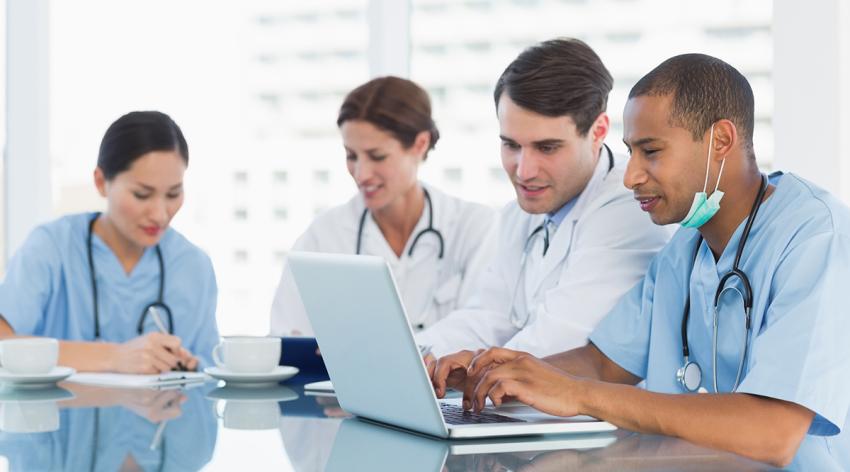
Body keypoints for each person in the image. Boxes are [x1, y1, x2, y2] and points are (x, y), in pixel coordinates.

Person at [441, 54, 850, 468]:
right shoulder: (686, 247)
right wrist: (500, 373)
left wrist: (578, 395)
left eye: (650, 151)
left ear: (720, 141)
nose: (630, 175)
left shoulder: (817, 238)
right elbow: (603, 363)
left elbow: (773, 432)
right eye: (630, 152)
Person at [417, 38, 670, 364]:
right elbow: (489, 318)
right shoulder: (520, 214)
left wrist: (469, 367)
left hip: (589, 412)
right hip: (521, 408)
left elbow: (561, 338)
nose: (523, 171)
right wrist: (413, 356)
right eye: (511, 145)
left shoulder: (630, 208)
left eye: (547, 148)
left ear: (598, 131)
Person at [270, 76, 494, 336]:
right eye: (351, 156)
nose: (361, 173)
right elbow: (287, 336)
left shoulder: (474, 228)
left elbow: (485, 333)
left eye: (377, 157)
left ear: (420, 145)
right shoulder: (324, 237)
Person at [0, 111, 219, 373]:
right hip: (58, 413)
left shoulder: (193, 266)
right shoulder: (51, 247)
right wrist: (115, 357)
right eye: (142, 194)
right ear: (101, 182)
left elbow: (209, 370)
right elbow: (4, 343)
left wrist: (187, 367)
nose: (160, 214)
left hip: (161, 414)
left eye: (173, 193)